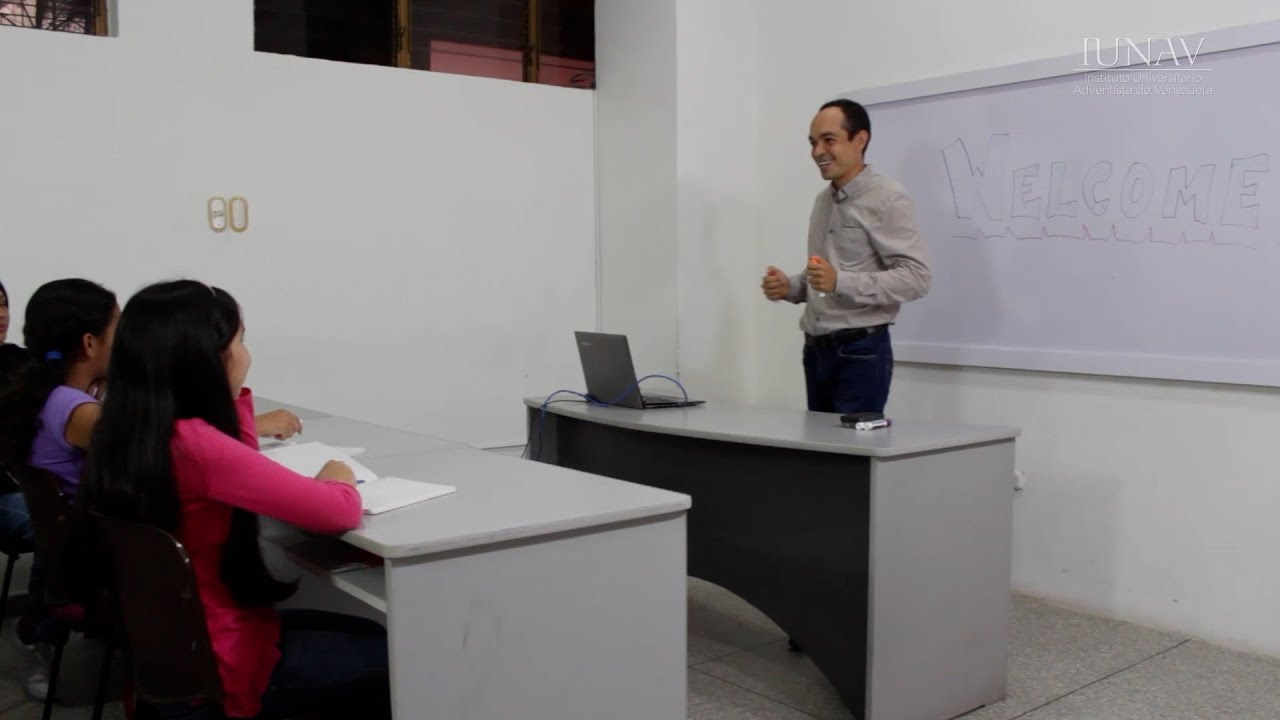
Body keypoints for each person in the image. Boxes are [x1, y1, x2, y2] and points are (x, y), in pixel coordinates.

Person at [83, 280, 390, 719]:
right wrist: (339, 477)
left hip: (171, 652)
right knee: (395, 654)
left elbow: (237, 459)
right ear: (208, 358)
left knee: (369, 632)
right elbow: (337, 510)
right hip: (226, 660)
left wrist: (230, 401)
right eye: (240, 341)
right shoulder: (196, 446)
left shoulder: (126, 430)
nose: (247, 355)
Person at [761, 98, 931, 415]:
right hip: (815, 349)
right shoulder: (822, 201)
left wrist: (840, 281)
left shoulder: (888, 198)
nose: (817, 152)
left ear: (860, 139)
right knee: (820, 446)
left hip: (860, 350)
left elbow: (916, 279)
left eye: (829, 140)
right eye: (813, 143)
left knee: (850, 446)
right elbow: (824, 275)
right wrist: (791, 287)